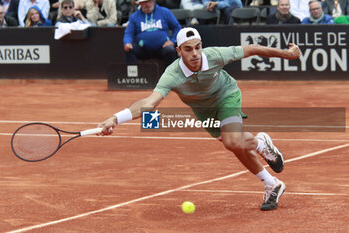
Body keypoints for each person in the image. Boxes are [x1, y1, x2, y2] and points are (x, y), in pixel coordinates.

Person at [98, 27, 302, 211]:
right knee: (234, 144)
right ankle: (271, 183)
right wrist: (115, 119)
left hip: (226, 95)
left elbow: (253, 49)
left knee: (231, 141)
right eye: (188, 49)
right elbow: (149, 103)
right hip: (203, 110)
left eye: (197, 47)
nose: (195, 53)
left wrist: (287, 54)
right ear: (178, 51)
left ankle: (260, 143)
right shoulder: (172, 74)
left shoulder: (214, 56)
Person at [123, 0, 181, 67]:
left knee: (170, 50)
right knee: (130, 50)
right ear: (140, 3)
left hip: (162, 48)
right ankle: (132, 76)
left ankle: (170, 76)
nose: (147, 4)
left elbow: (177, 27)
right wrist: (127, 43)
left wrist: (172, 41)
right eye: (144, 2)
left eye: (149, 1)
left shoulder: (165, 12)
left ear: (153, 1)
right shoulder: (134, 17)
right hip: (143, 49)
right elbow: (129, 33)